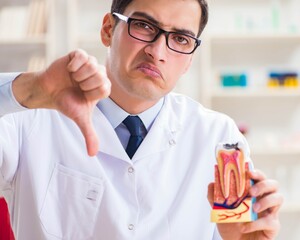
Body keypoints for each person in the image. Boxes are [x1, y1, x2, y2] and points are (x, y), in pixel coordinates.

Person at [0, 0, 283, 239]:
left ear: (189, 60)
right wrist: (29, 88)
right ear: (108, 29)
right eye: (144, 26)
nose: (157, 52)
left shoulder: (216, 135)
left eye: (180, 39)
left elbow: (237, 228)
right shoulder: (27, 118)